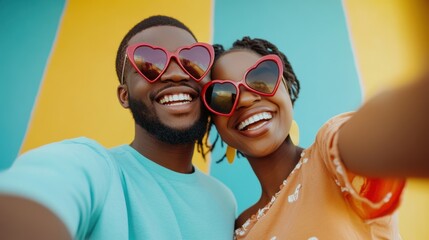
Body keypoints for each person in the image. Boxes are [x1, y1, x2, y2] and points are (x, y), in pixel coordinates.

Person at [0, 15, 236, 240]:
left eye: (192, 60)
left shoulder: (224, 201)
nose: (175, 74)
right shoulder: (94, 167)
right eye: (150, 63)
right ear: (125, 95)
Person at [202, 36, 429, 239]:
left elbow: (388, 128)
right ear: (215, 122)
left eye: (262, 78)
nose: (244, 100)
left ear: (286, 87)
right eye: (223, 96)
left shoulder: (331, 158)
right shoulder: (239, 230)